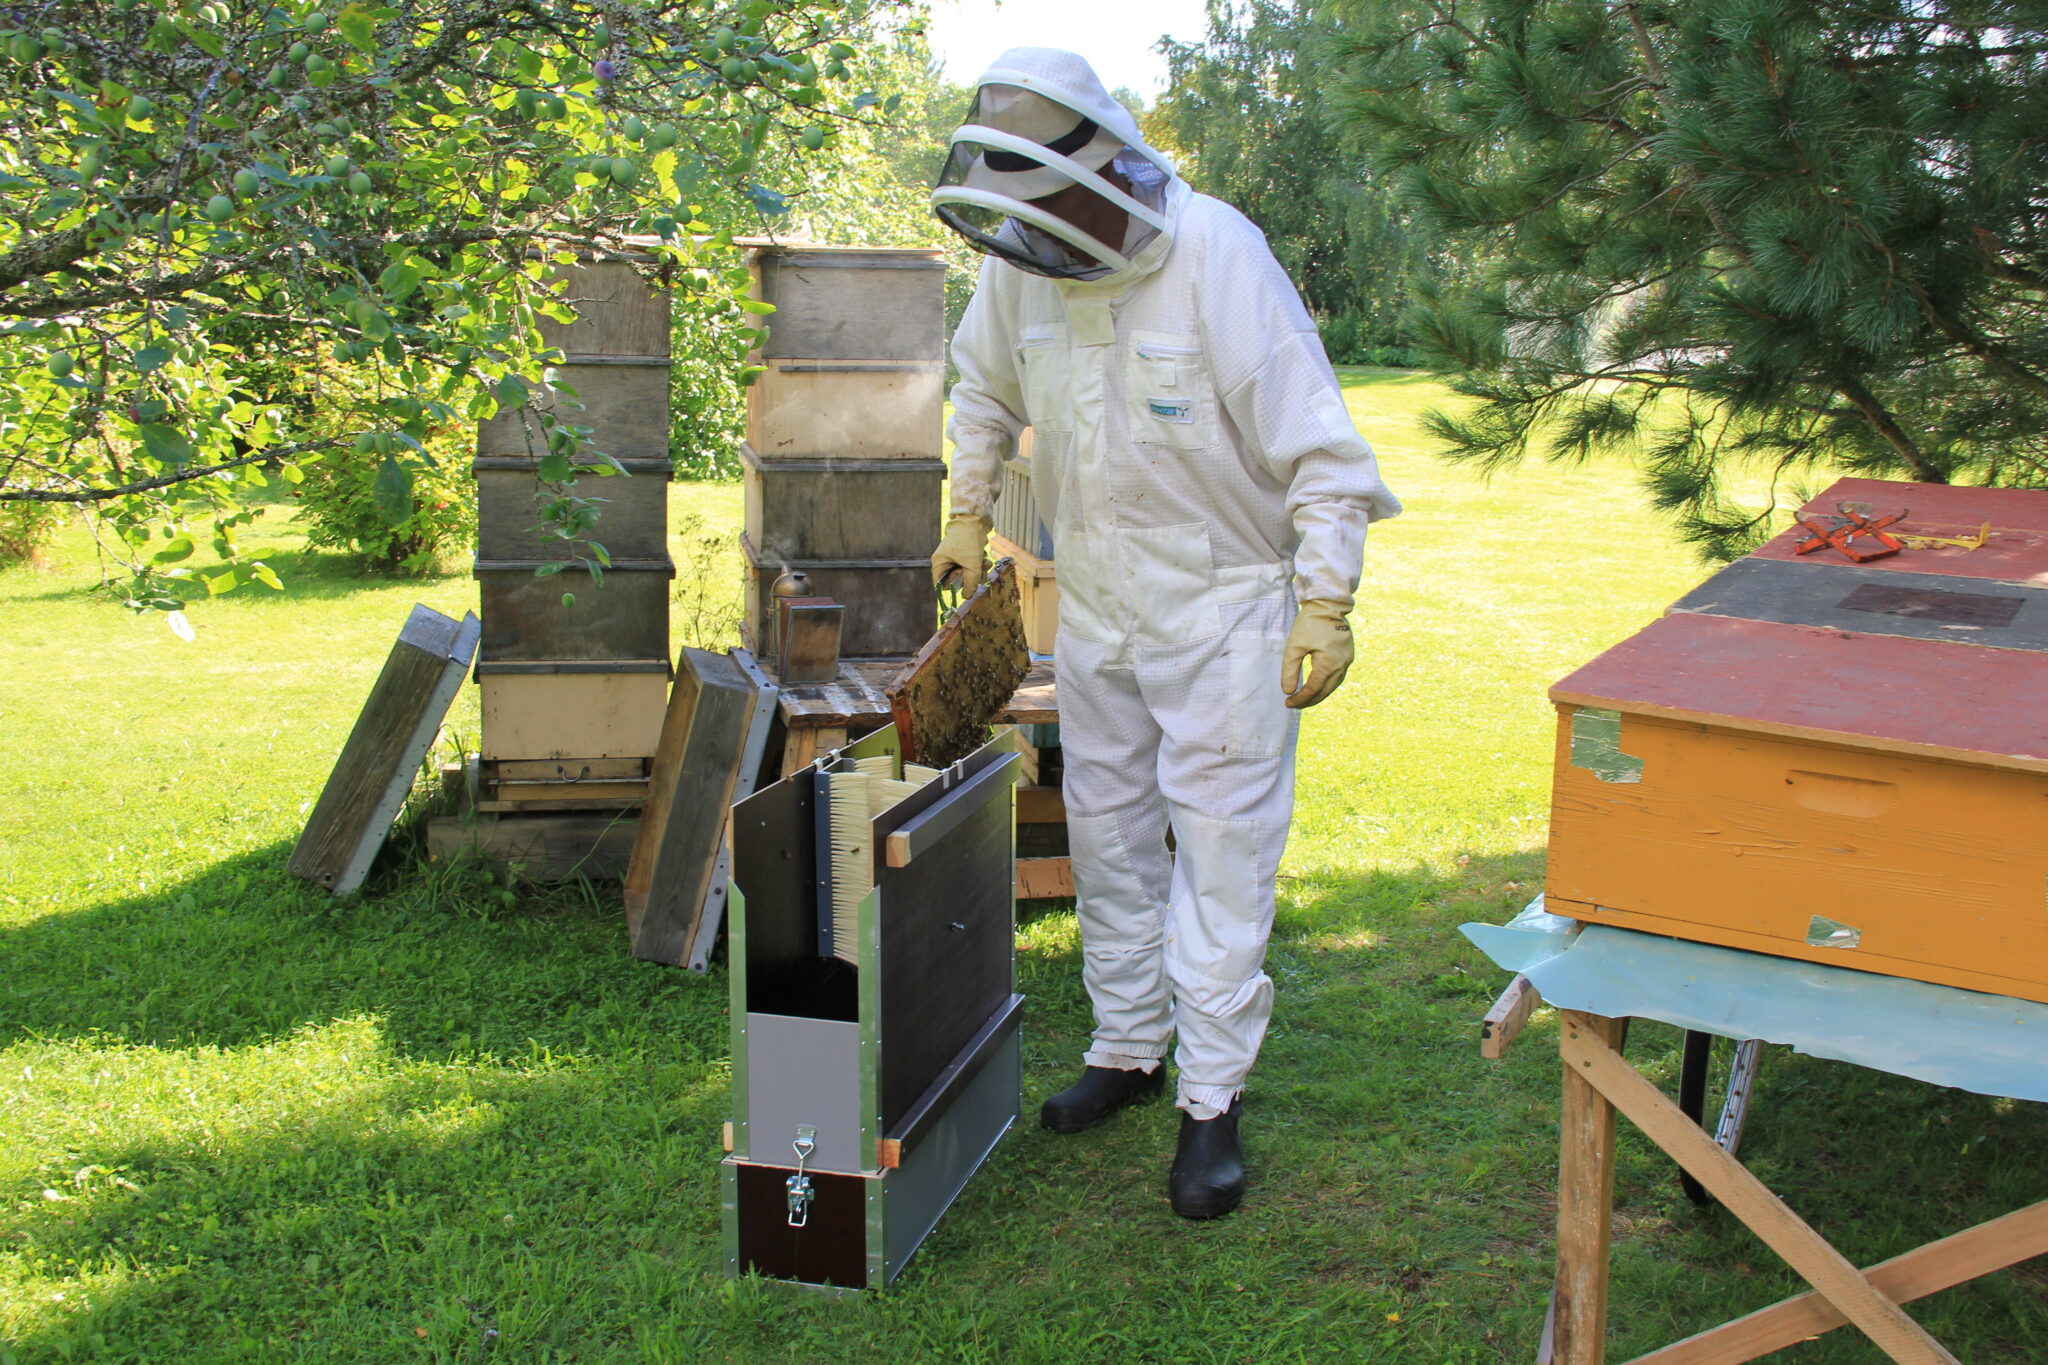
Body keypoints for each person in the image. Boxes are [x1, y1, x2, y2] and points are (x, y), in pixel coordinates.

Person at [929, 47, 1401, 1219]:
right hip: (1096, 609)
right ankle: (1129, 1048)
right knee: (1108, 838)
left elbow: (1322, 454)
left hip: (1223, 609)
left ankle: (1211, 1099)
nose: (1045, 233)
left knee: (1221, 855)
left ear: (1106, 171)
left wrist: (1325, 600)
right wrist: (965, 508)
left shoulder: (1218, 256)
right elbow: (982, 388)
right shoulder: (1021, 260)